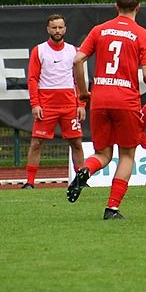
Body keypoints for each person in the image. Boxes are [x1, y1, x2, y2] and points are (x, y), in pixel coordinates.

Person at [68, 0, 146, 220]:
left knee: (102, 154)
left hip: (100, 98)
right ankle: (112, 208)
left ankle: (85, 170)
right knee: (126, 155)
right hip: (126, 100)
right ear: (138, 6)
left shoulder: (99, 30)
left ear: (116, 6)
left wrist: (83, 92)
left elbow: (77, 60)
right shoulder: (143, 34)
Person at [21, 14, 86, 189]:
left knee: (76, 143)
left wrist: (81, 104)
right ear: (48, 29)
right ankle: (30, 182)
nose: (57, 30)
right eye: (54, 27)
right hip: (46, 105)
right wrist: (35, 104)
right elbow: (32, 79)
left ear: (65, 29)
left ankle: (81, 181)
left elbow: (79, 79)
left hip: (69, 105)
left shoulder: (74, 51)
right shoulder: (39, 50)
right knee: (36, 143)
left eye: (60, 27)